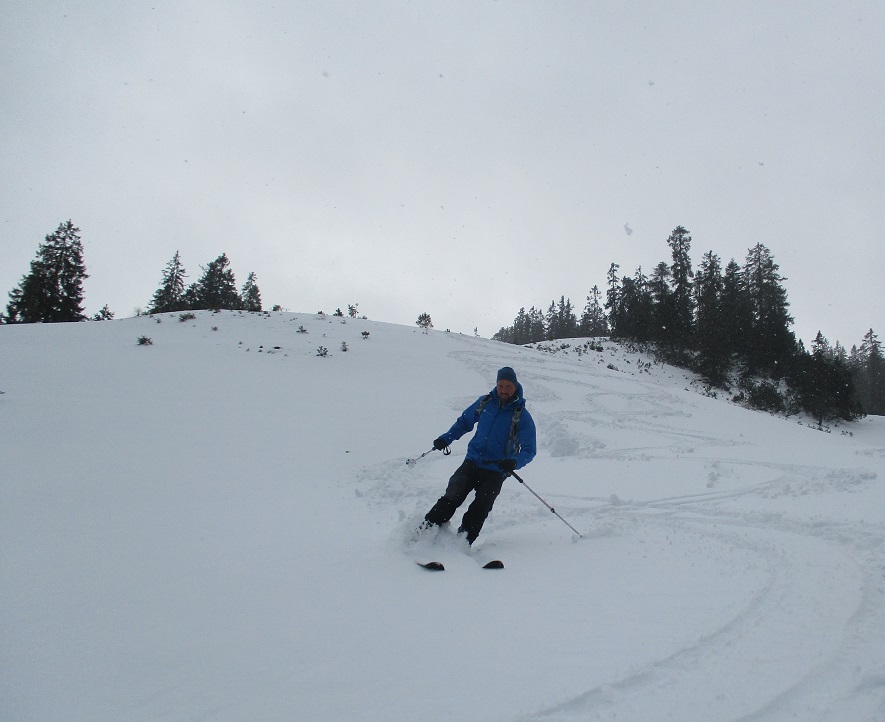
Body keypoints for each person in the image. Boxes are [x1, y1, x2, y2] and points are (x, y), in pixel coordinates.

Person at [418, 366, 537, 545]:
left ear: (515, 387)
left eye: (508, 387)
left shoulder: (521, 415)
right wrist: (445, 439)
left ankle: (462, 543)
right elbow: (464, 423)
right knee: (452, 494)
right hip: (472, 461)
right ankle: (425, 532)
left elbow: (529, 449)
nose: (504, 390)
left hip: (496, 469)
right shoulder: (485, 402)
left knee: (481, 506)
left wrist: (514, 462)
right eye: (501, 386)